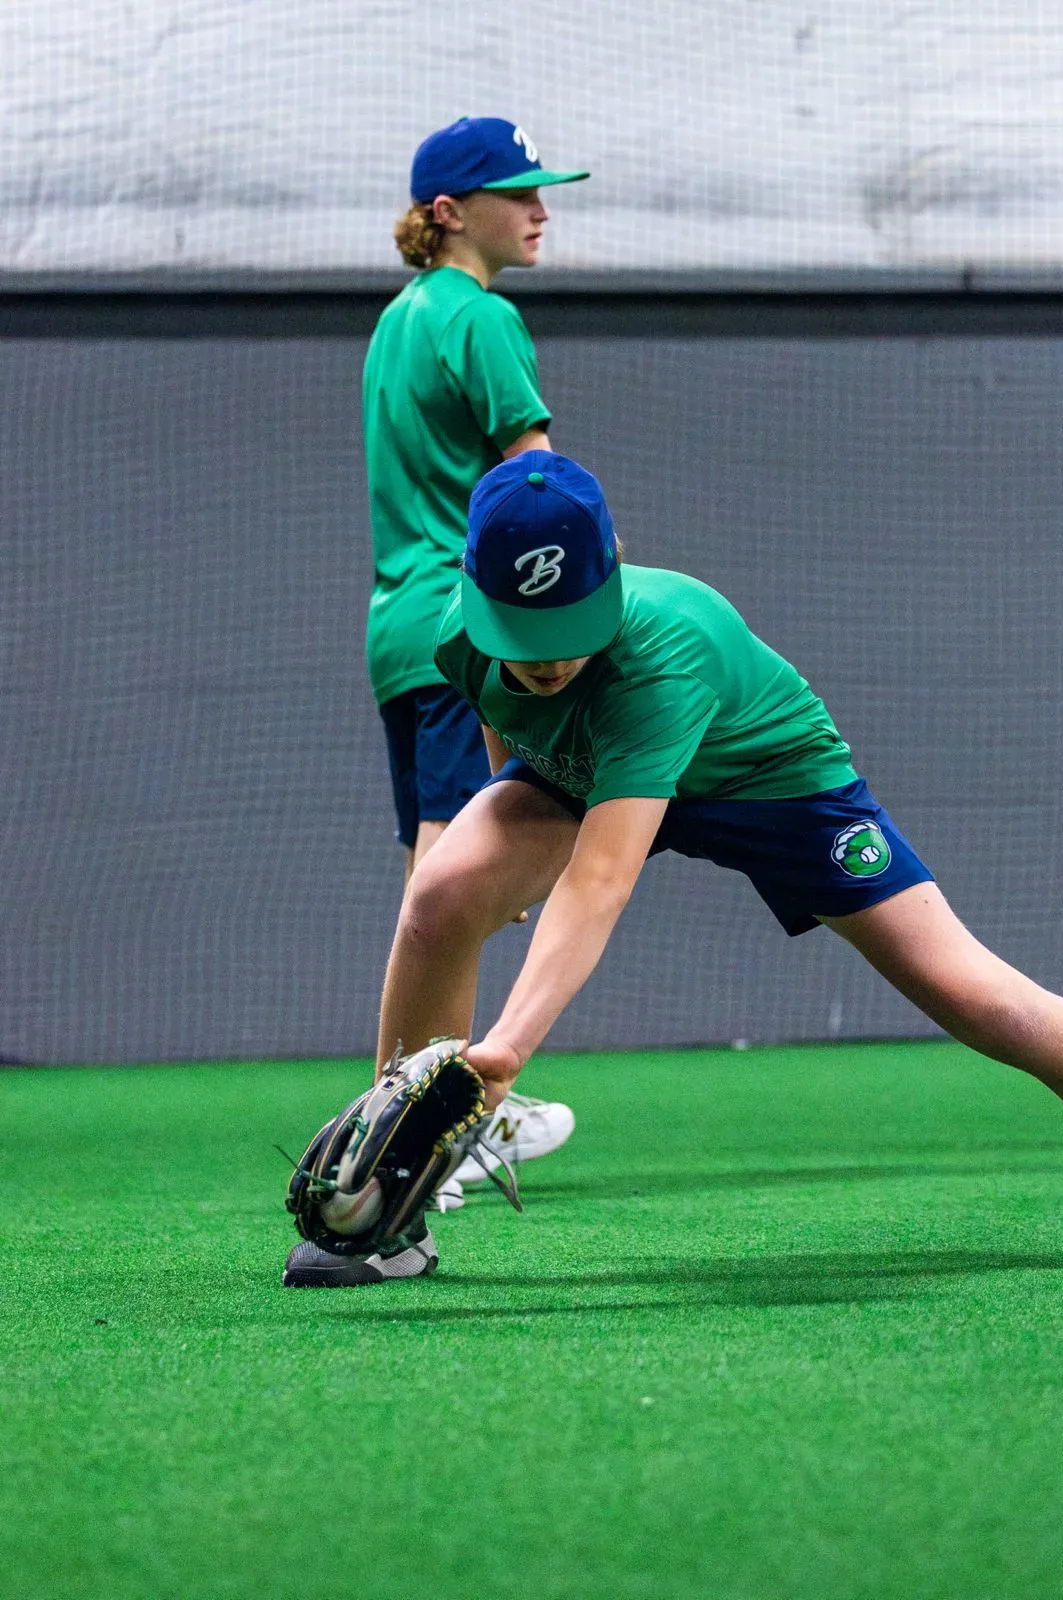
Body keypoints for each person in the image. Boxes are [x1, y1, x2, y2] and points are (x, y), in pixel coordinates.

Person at [280, 450, 1063, 1287]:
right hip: (588, 775)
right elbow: (514, 736)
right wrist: (505, 871)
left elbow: (602, 879)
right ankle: (381, 1209)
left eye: (567, 632)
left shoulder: (664, 652)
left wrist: (505, 1050)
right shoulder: (464, 633)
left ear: (613, 579)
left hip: (771, 783)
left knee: (980, 996)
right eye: (521, 639)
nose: (542, 660)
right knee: (441, 892)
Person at [364, 116, 590, 1187]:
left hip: (398, 632)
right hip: (469, 633)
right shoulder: (483, 318)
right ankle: (432, 1131)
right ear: (452, 212)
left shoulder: (398, 320)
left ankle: (410, 1117)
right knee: (457, 889)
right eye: (519, 193)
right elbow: (534, 495)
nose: (540, 211)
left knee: (435, 883)